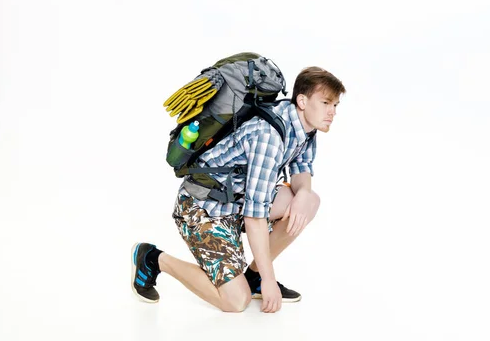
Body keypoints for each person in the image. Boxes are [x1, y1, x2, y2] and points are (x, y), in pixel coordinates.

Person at [131, 66, 346, 313]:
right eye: (326, 102)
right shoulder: (269, 136)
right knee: (235, 301)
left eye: (336, 105)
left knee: (308, 201)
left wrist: (304, 194)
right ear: (302, 101)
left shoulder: (304, 128)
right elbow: (255, 215)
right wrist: (270, 280)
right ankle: (153, 259)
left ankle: (252, 277)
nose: (332, 112)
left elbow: (302, 170)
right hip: (203, 209)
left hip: (235, 202)